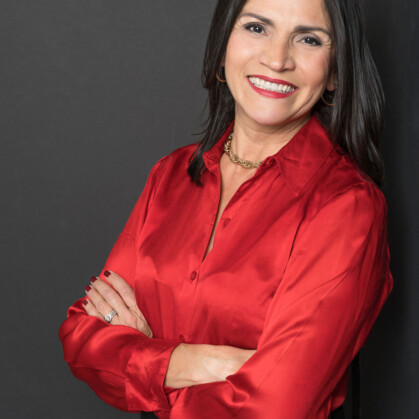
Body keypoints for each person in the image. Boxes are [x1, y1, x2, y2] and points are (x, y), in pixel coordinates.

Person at [59, 0, 393, 417]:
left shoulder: (348, 207)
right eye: (256, 28)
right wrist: (204, 362)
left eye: (308, 39)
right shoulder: (170, 175)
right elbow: (82, 336)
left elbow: (275, 407)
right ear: (222, 48)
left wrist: (145, 362)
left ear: (336, 72)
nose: (277, 59)